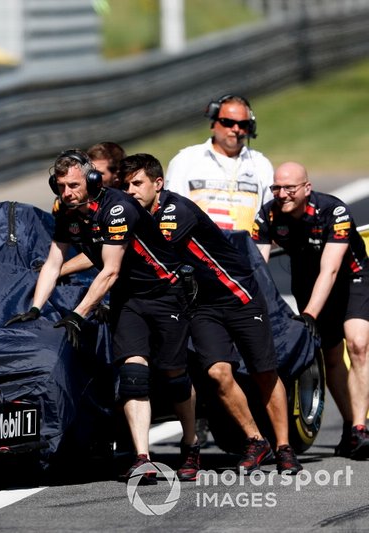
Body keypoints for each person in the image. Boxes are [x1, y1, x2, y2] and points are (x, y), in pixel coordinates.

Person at [5, 149, 200, 481]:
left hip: (165, 292)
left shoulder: (118, 209)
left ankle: (191, 443)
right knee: (134, 375)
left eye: (73, 185)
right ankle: (143, 458)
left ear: (92, 180)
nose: (66, 193)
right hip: (129, 299)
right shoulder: (65, 211)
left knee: (173, 375)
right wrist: (35, 307)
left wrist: (78, 315)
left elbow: (109, 271)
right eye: (60, 186)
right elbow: (54, 262)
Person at [122, 153, 302, 474]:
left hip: (238, 294)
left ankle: (285, 447)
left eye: (138, 183)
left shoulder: (173, 211)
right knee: (217, 373)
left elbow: (149, 253)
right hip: (203, 306)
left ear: (158, 184)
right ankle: (256, 440)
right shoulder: (135, 216)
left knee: (263, 372)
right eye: (126, 186)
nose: (131, 191)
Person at [253, 161, 369, 460]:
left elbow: (330, 271)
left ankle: (360, 427)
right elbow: (257, 268)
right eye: (276, 187)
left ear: (307, 188)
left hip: (351, 278)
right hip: (306, 278)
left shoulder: (334, 211)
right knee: (330, 356)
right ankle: (350, 427)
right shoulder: (267, 213)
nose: (282, 194)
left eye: (290, 187)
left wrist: (309, 314)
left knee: (357, 344)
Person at [165, 94, 273, 232]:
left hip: (247, 251)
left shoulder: (262, 164)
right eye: (227, 122)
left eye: (242, 124)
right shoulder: (185, 160)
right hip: (198, 251)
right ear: (213, 124)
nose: (235, 129)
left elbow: (270, 217)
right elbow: (171, 212)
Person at [58, 141, 126, 277]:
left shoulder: (126, 203)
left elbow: (100, 250)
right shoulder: (68, 201)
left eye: (97, 174)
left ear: (117, 175)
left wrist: (59, 271)